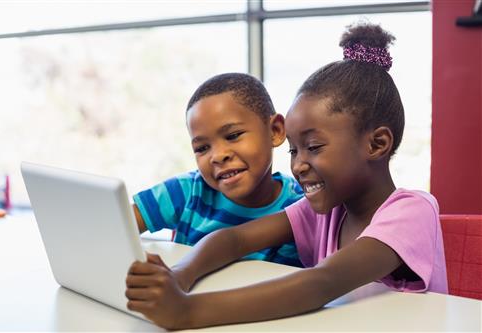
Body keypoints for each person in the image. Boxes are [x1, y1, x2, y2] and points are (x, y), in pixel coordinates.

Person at [125, 23, 448, 329]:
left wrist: (187, 311)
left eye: (313, 146)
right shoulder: (326, 211)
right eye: (294, 151)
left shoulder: (411, 211)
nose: (298, 165)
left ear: (376, 144)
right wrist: (181, 274)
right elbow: (234, 239)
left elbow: (322, 282)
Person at [132, 72, 304, 267]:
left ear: (275, 131)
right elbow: (116, 225)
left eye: (233, 135)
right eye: (202, 148)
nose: (218, 156)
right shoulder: (187, 190)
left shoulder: (299, 209)